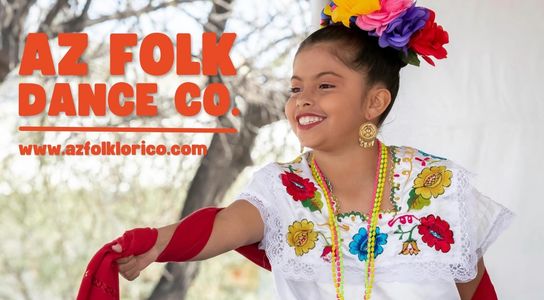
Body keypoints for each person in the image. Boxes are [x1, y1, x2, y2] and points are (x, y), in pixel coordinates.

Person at [77, 1, 516, 299]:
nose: (302, 99)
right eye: (295, 88)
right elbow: (219, 226)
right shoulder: (282, 190)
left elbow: (477, 292)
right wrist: (157, 244)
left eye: (325, 85)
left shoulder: (438, 186)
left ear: (374, 101)